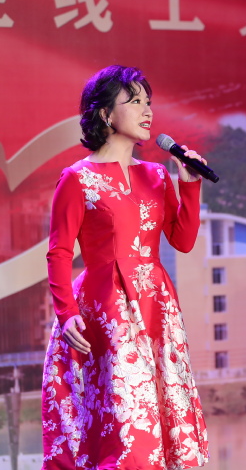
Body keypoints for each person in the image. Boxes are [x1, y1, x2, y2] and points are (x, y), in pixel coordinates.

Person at [42, 65, 209, 469]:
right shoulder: (77, 179)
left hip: (156, 305)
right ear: (105, 113)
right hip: (106, 310)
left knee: (161, 410)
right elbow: (59, 252)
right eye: (134, 101)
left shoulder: (156, 175)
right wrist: (66, 313)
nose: (147, 110)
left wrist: (189, 184)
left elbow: (183, 241)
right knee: (125, 420)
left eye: (148, 101)